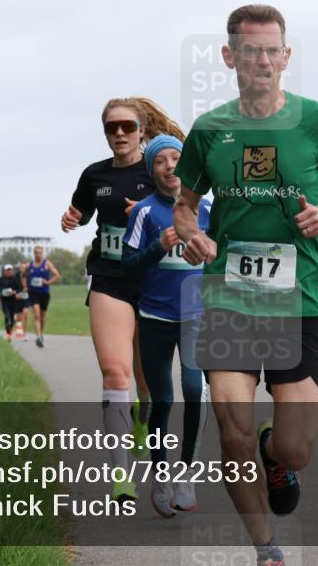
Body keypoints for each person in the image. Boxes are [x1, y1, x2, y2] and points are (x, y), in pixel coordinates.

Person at [173, 4, 318, 566]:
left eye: (271, 49)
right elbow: (185, 207)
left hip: (301, 296)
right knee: (231, 432)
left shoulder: (317, 121)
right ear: (230, 56)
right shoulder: (210, 130)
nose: (261, 59)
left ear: (286, 56)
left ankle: (273, 455)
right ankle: (268, 550)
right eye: (249, 49)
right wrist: (192, 235)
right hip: (231, 296)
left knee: (296, 449)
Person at [60, 96, 185, 502]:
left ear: (142, 130)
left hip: (153, 281)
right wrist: (71, 218)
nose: (119, 133)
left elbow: (185, 210)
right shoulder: (94, 175)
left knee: (148, 381)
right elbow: (79, 211)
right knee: (116, 372)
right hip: (110, 277)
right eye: (111, 127)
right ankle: (120, 474)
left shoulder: (160, 170)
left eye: (127, 127)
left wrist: (148, 212)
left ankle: (149, 434)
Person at [123, 134, 211, 517]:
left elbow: (221, 258)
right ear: (151, 169)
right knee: (163, 400)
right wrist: (158, 246)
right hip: (155, 318)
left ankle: (186, 475)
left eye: (177, 158)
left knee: (195, 390)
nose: (170, 165)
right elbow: (127, 267)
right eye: (161, 160)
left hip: (196, 315)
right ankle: (160, 475)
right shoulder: (144, 212)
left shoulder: (206, 209)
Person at [25, 245, 62, 348]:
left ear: (42, 253)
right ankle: (38, 337)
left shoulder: (47, 264)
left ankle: (40, 333)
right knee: (36, 314)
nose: (38, 255)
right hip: (33, 293)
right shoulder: (30, 265)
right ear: (34, 254)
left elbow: (57, 275)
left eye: (40, 253)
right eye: (36, 253)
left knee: (42, 317)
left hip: (44, 293)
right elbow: (22, 274)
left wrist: (48, 282)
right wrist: (25, 286)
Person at [0, 264, 22, 340]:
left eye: (10, 270)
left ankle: (10, 331)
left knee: (12, 317)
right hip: (4, 301)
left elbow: (19, 289)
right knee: (7, 316)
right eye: (7, 270)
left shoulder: (15, 279)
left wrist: (14, 292)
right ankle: (8, 331)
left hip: (13, 301)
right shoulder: (1, 279)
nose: (9, 272)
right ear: (4, 271)